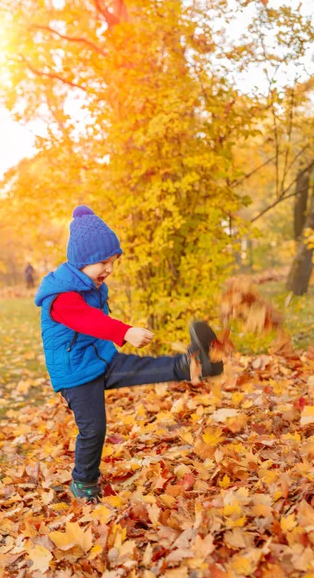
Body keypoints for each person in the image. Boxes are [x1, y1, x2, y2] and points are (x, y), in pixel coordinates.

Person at [35, 205, 223, 503]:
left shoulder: (91, 286)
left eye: (112, 262)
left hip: (100, 359)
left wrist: (118, 336)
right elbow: (88, 321)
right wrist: (124, 331)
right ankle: (83, 483)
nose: (108, 269)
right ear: (82, 261)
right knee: (94, 429)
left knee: (141, 367)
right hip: (75, 374)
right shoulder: (61, 298)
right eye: (102, 262)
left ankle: (192, 365)